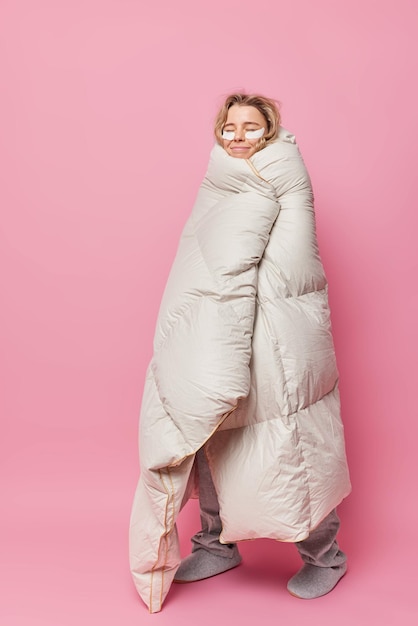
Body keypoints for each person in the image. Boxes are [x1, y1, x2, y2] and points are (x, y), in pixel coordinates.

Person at [129, 93, 351, 613]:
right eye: (230, 127)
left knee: (289, 444)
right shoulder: (220, 179)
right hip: (221, 327)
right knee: (210, 434)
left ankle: (325, 557)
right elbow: (199, 257)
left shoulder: (284, 177)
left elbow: (292, 264)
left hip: (279, 332)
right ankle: (216, 543)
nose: (238, 136)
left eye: (251, 127)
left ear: (270, 131)